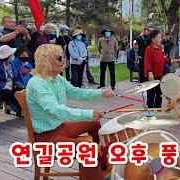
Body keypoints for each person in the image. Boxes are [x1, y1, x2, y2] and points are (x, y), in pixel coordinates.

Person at [26, 44, 115, 180]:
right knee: (87, 149)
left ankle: (98, 163)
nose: (63, 60)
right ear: (46, 60)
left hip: (60, 127)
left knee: (94, 123)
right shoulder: (37, 83)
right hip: (46, 137)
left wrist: (101, 92)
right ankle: (94, 170)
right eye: (60, 57)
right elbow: (56, 110)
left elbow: (77, 93)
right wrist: (88, 113)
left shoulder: (58, 78)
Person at [0, 45, 22, 117]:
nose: (13, 55)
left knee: (22, 90)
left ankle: (21, 108)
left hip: (12, 84)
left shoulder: (11, 62)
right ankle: (18, 109)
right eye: (11, 55)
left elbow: (16, 75)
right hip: (0, 87)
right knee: (11, 93)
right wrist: (5, 86)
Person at [144, 30, 170, 108]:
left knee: (159, 96)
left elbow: (162, 59)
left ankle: (158, 112)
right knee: (151, 97)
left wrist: (171, 61)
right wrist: (149, 72)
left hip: (160, 76)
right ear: (153, 39)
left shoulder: (159, 48)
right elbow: (147, 62)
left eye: (160, 38)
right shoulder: (149, 49)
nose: (160, 39)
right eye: (158, 38)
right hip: (151, 77)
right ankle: (150, 113)